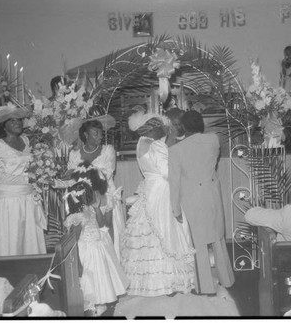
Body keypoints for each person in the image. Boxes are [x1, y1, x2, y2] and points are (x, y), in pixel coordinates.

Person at [121, 111, 196, 297]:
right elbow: (167, 172)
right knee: (167, 231)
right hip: (162, 190)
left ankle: (147, 282)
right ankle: (170, 282)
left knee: (150, 233)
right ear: (153, 128)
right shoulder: (156, 146)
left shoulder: (141, 144)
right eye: (161, 129)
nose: (164, 132)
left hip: (149, 189)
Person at [169, 110, 235, 295]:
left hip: (191, 199)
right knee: (217, 238)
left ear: (182, 126)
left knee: (197, 243)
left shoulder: (175, 150)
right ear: (201, 125)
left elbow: (174, 182)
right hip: (211, 194)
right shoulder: (213, 140)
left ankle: (204, 286)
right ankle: (227, 279)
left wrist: (175, 209)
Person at [0, 106, 47, 256]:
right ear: (3, 125)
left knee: (27, 240)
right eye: (12, 120)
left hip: (28, 199)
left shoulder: (25, 140)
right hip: (8, 201)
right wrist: (27, 179)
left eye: (19, 120)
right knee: (10, 239)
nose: (18, 123)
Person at [54, 117, 125, 260]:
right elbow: (72, 180)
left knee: (106, 229)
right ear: (85, 135)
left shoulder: (108, 150)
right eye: (95, 133)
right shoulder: (74, 154)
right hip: (83, 198)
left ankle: (112, 259)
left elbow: (106, 173)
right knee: (84, 233)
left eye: (100, 133)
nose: (99, 136)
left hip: (105, 194)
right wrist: (56, 181)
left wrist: (79, 170)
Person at [63, 167, 129, 316]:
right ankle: (90, 304)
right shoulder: (77, 217)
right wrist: (78, 263)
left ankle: (100, 303)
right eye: (88, 194)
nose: (92, 196)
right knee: (89, 277)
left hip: (97, 247)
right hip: (86, 249)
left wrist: (98, 209)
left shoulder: (90, 209)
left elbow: (101, 224)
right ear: (81, 198)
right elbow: (74, 239)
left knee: (100, 276)